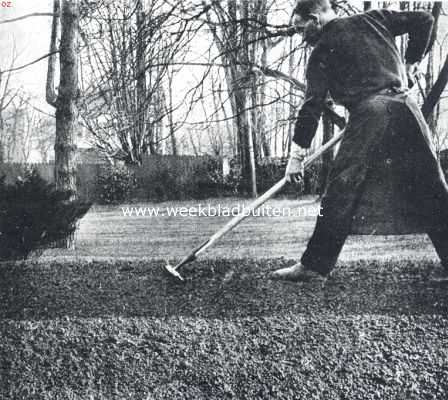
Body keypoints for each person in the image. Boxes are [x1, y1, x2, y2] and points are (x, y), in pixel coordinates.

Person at [270, 0, 448, 282]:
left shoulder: (320, 51)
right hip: (406, 106)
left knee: (341, 188)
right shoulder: (374, 18)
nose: (301, 36)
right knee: (433, 185)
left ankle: (314, 267)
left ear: (315, 19)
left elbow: (312, 106)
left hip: (370, 113)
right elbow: (425, 19)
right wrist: (412, 62)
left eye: (300, 28)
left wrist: (296, 156)